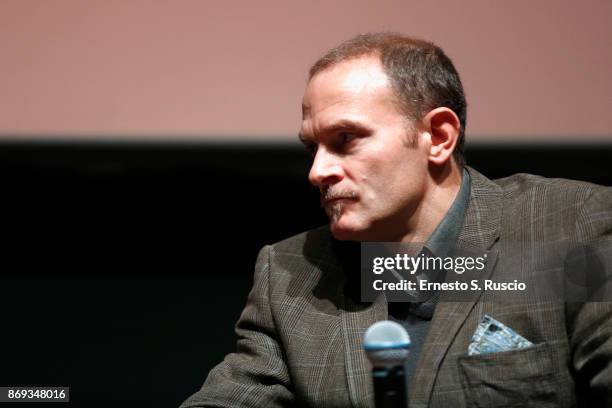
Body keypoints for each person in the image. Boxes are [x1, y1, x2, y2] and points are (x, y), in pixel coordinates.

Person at [181, 33, 612, 407]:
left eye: (345, 139)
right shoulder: (294, 271)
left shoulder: (574, 226)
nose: (317, 171)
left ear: (438, 137)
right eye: (312, 147)